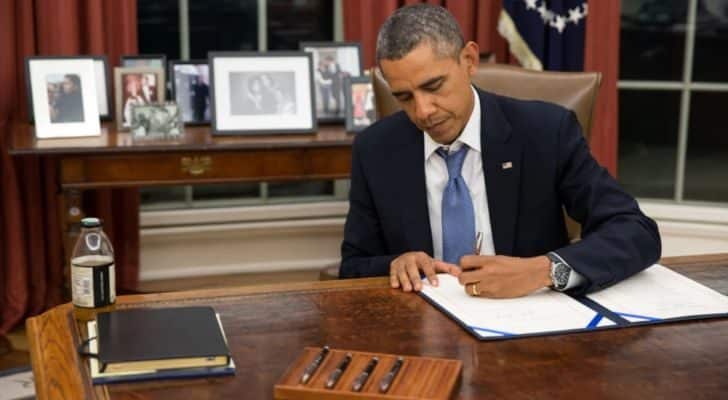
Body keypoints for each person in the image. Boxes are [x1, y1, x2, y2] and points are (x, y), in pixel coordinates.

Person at [339, 4, 661, 298]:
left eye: (433, 87)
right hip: (423, 325)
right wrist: (395, 264)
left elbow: (637, 232)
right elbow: (352, 267)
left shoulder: (546, 131)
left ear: (469, 61)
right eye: (404, 97)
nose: (423, 111)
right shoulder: (375, 149)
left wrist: (544, 270)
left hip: (530, 319)